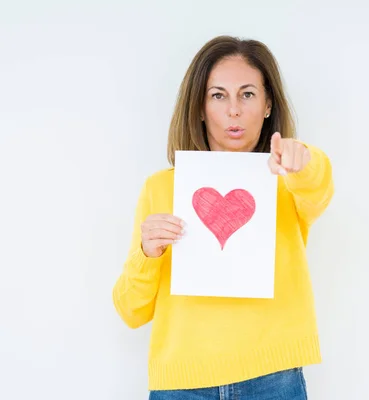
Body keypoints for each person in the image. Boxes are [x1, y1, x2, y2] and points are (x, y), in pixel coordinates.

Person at [112, 35, 334, 399]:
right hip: (181, 384)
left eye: (247, 94)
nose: (234, 110)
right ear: (199, 107)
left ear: (267, 105)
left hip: (273, 377)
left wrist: (303, 157)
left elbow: (320, 185)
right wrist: (146, 252)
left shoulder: (289, 183)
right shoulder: (161, 188)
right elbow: (130, 311)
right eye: (218, 95)